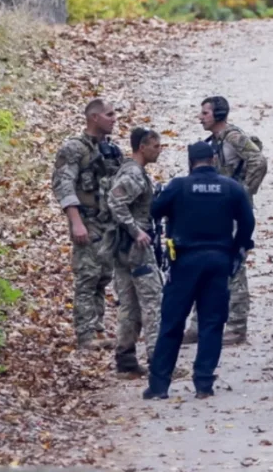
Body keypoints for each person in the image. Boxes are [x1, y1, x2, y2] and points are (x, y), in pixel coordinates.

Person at [144, 141, 255, 400]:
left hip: (185, 261)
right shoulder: (231, 187)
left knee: (172, 323)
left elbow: (154, 211)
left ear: (191, 162)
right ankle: (204, 383)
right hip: (218, 260)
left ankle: (159, 385)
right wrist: (237, 250)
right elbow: (247, 223)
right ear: (213, 160)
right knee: (211, 323)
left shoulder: (178, 186)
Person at [183, 96, 267, 346]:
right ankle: (198, 326)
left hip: (231, 214)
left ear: (218, 114)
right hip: (214, 212)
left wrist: (243, 193)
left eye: (205, 113)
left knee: (234, 265)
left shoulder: (233, 137)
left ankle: (237, 327)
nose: (201, 117)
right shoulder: (213, 142)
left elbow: (258, 161)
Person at [51, 98, 124, 350]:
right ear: (94, 117)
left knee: (103, 276)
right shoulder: (74, 149)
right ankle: (85, 334)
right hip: (87, 220)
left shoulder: (110, 149)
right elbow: (63, 185)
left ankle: (97, 328)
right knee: (87, 277)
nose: (114, 119)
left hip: (107, 223)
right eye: (109, 114)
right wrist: (76, 222)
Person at [106, 127, 165, 377]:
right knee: (153, 301)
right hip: (136, 247)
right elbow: (115, 201)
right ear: (142, 147)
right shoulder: (134, 174)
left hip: (122, 247)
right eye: (155, 146)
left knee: (129, 304)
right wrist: (136, 231)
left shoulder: (131, 171)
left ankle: (126, 360)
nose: (159, 150)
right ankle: (159, 361)